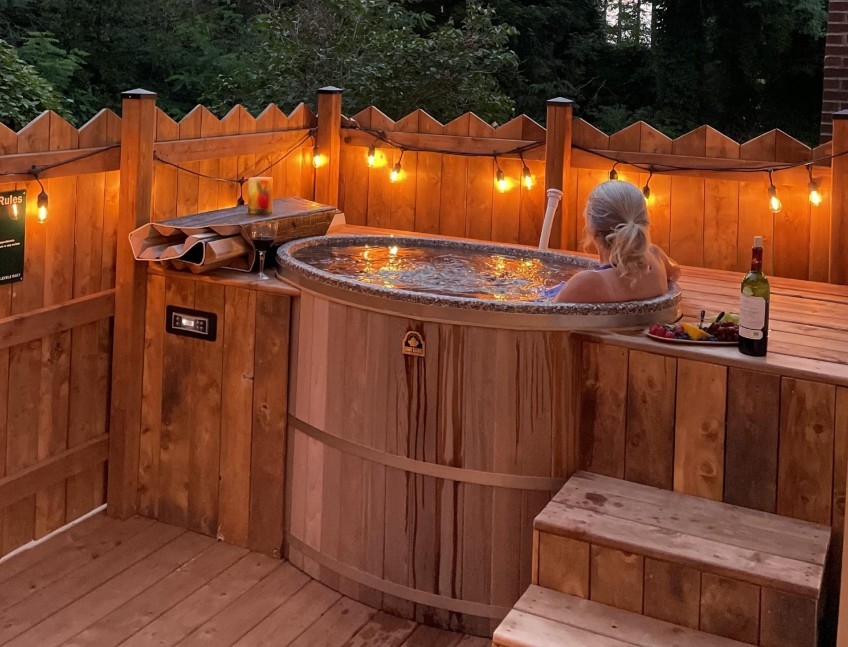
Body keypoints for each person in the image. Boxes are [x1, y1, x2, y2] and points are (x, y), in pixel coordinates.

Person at [554, 180, 680, 303]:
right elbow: (676, 272)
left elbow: (547, 315)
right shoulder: (655, 256)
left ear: (592, 227)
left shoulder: (586, 282)